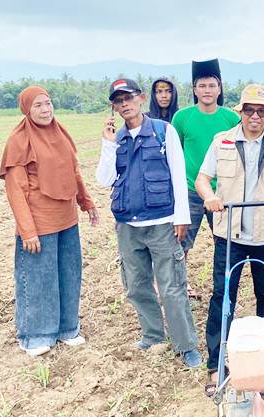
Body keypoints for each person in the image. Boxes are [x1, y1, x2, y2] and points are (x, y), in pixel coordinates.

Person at [195, 84, 264, 396]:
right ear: (241, 111)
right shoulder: (223, 141)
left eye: (261, 111)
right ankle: (218, 363)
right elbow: (203, 178)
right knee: (223, 297)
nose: (255, 116)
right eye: (249, 110)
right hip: (229, 234)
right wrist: (210, 196)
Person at [95, 78, 202, 368]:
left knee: (172, 287)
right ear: (114, 107)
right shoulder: (116, 139)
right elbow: (104, 179)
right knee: (137, 285)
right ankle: (153, 335)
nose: (124, 104)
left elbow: (178, 175)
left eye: (128, 98)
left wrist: (182, 217)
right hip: (128, 226)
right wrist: (107, 145)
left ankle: (186, 345)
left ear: (141, 98)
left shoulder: (162, 131)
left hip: (162, 222)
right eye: (118, 101)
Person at [0, 85, 99, 357]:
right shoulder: (19, 140)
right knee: (38, 276)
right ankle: (35, 334)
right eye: (38, 106)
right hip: (39, 220)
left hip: (66, 217)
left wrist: (85, 201)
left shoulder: (60, 133)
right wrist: (27, 230)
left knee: (69, 272)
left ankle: (67, 328)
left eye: (48, 103)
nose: (46, 110)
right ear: (27, 110)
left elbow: (74, 171)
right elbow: (15, 189)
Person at [171, 59, 241, 298]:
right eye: (202, 86)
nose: (207, 90)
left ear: (219, 89)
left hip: (222, 192)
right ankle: (180, 289)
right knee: (181, 243)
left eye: (212, 85)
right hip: (190, 189)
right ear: (194, 89)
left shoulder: (231, 119)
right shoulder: (182, 118)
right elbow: (176, 151)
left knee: (225, 245)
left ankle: (224, 294)